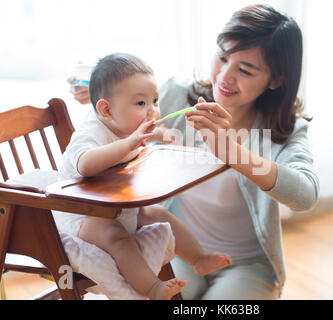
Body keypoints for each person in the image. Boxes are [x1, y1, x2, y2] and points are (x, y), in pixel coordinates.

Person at [70, 4, 319, 300]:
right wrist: (103, 97)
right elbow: (112, 125)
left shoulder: (283, 130)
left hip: (248, 266)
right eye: (222, 57)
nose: (225, 77)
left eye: (245, 70)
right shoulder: (175, 97)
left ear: (275, 80)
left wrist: (233, 152)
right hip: (176, 247)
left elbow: (306, 195)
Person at [58, 53, 232, 300]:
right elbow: (85, 164)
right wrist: (129, 143)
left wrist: (162, 135)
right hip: (83, 215)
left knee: (160, 214)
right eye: (141, 104)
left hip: (118, 206)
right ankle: (152, 288)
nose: (152, 111)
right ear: (106, 110)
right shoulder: (91, 133)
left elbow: (150, 131)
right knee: (116, 237)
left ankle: (199, 259)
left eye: (155, 100)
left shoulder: (126, 124)